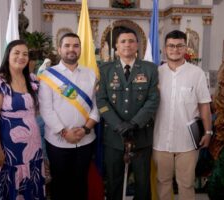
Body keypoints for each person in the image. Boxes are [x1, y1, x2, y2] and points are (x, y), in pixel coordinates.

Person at [96, 27, 160, 200]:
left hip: (141, 134)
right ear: (116, 46)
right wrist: (118, 125)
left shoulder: (150, 69)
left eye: (131, 41)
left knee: (142, 182)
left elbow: (153, 100)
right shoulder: (105, 69)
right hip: (114, 136)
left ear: (138, 45)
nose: (127, 45)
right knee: (113, 181)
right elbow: (101, 101)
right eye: (123, 41)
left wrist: (134, 123)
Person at [38, 33, 99, 200]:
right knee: (60, 186)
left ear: (80, 49)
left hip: (86, 140)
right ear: (59, 49)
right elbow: (46, 109)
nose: (71, 49)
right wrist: (64, 132)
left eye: (76, 45)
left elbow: (96, 106)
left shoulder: (90, 74)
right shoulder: (48, 76)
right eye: (67, 45)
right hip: (58, 141)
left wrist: (86, 129)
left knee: (81, 184)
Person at [153, 30, 212, 200]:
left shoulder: (196, 73)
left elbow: (204, 105)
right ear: (165, 49)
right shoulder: (156, 74)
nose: (175, 49)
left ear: (185, 47)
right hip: (160, 140)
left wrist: (208, 132)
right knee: (162, 181)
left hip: (187, 141)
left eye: (179, 45)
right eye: (171, 45)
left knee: (186, 184)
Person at [0, 40, 46, 199]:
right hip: (8, 148)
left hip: (32, 147)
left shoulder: (32, 80)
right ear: (8, 56)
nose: (21, 57)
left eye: (25, 54)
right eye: (16, 53)